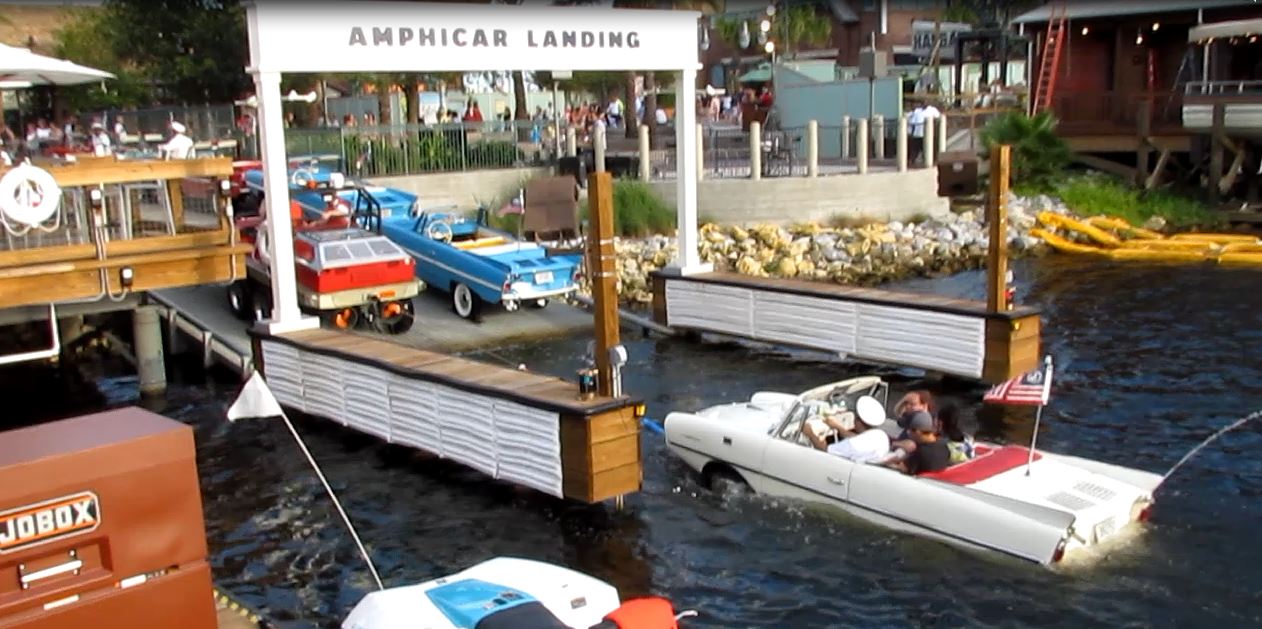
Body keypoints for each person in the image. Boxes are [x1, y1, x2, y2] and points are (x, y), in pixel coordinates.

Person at [813, 396, 893, 464]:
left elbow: (825, 450)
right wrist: (836, 426)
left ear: (857, 421)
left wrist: (808, 430)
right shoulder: (881, 435)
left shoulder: (853, 445)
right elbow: (857, 438)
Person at [888, 411, 952, 475]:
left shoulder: (920, 453)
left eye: (909, 430)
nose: (908, 433)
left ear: (918, 432)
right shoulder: (944, 448)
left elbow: (902, 468)